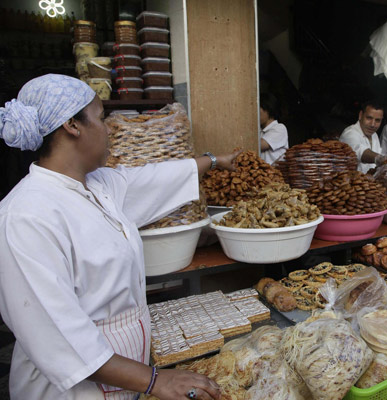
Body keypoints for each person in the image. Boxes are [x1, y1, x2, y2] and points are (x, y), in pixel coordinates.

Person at [0, 74, 240, 400]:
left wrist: (213, 161)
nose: (110, 129)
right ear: (72, 125)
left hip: (125, 379)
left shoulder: (99, 185)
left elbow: (152, 180)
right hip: (69, 391)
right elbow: (56, 334)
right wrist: (156, 380)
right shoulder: (27, 215)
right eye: (101, 119)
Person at [339, 100, 386, 173]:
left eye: (377, 120)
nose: (372, 124)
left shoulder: (374, 135)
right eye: (369, 118)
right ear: (360, 115)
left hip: (371, 182)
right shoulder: (350, 133)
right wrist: (379, 158)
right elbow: (359, 151)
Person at [259, 92, 288, 164]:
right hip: (261, 174)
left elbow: (260, 145)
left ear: (268, 109)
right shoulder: (259, 131)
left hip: (275, 174)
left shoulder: (279, 128)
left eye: (258, 109)